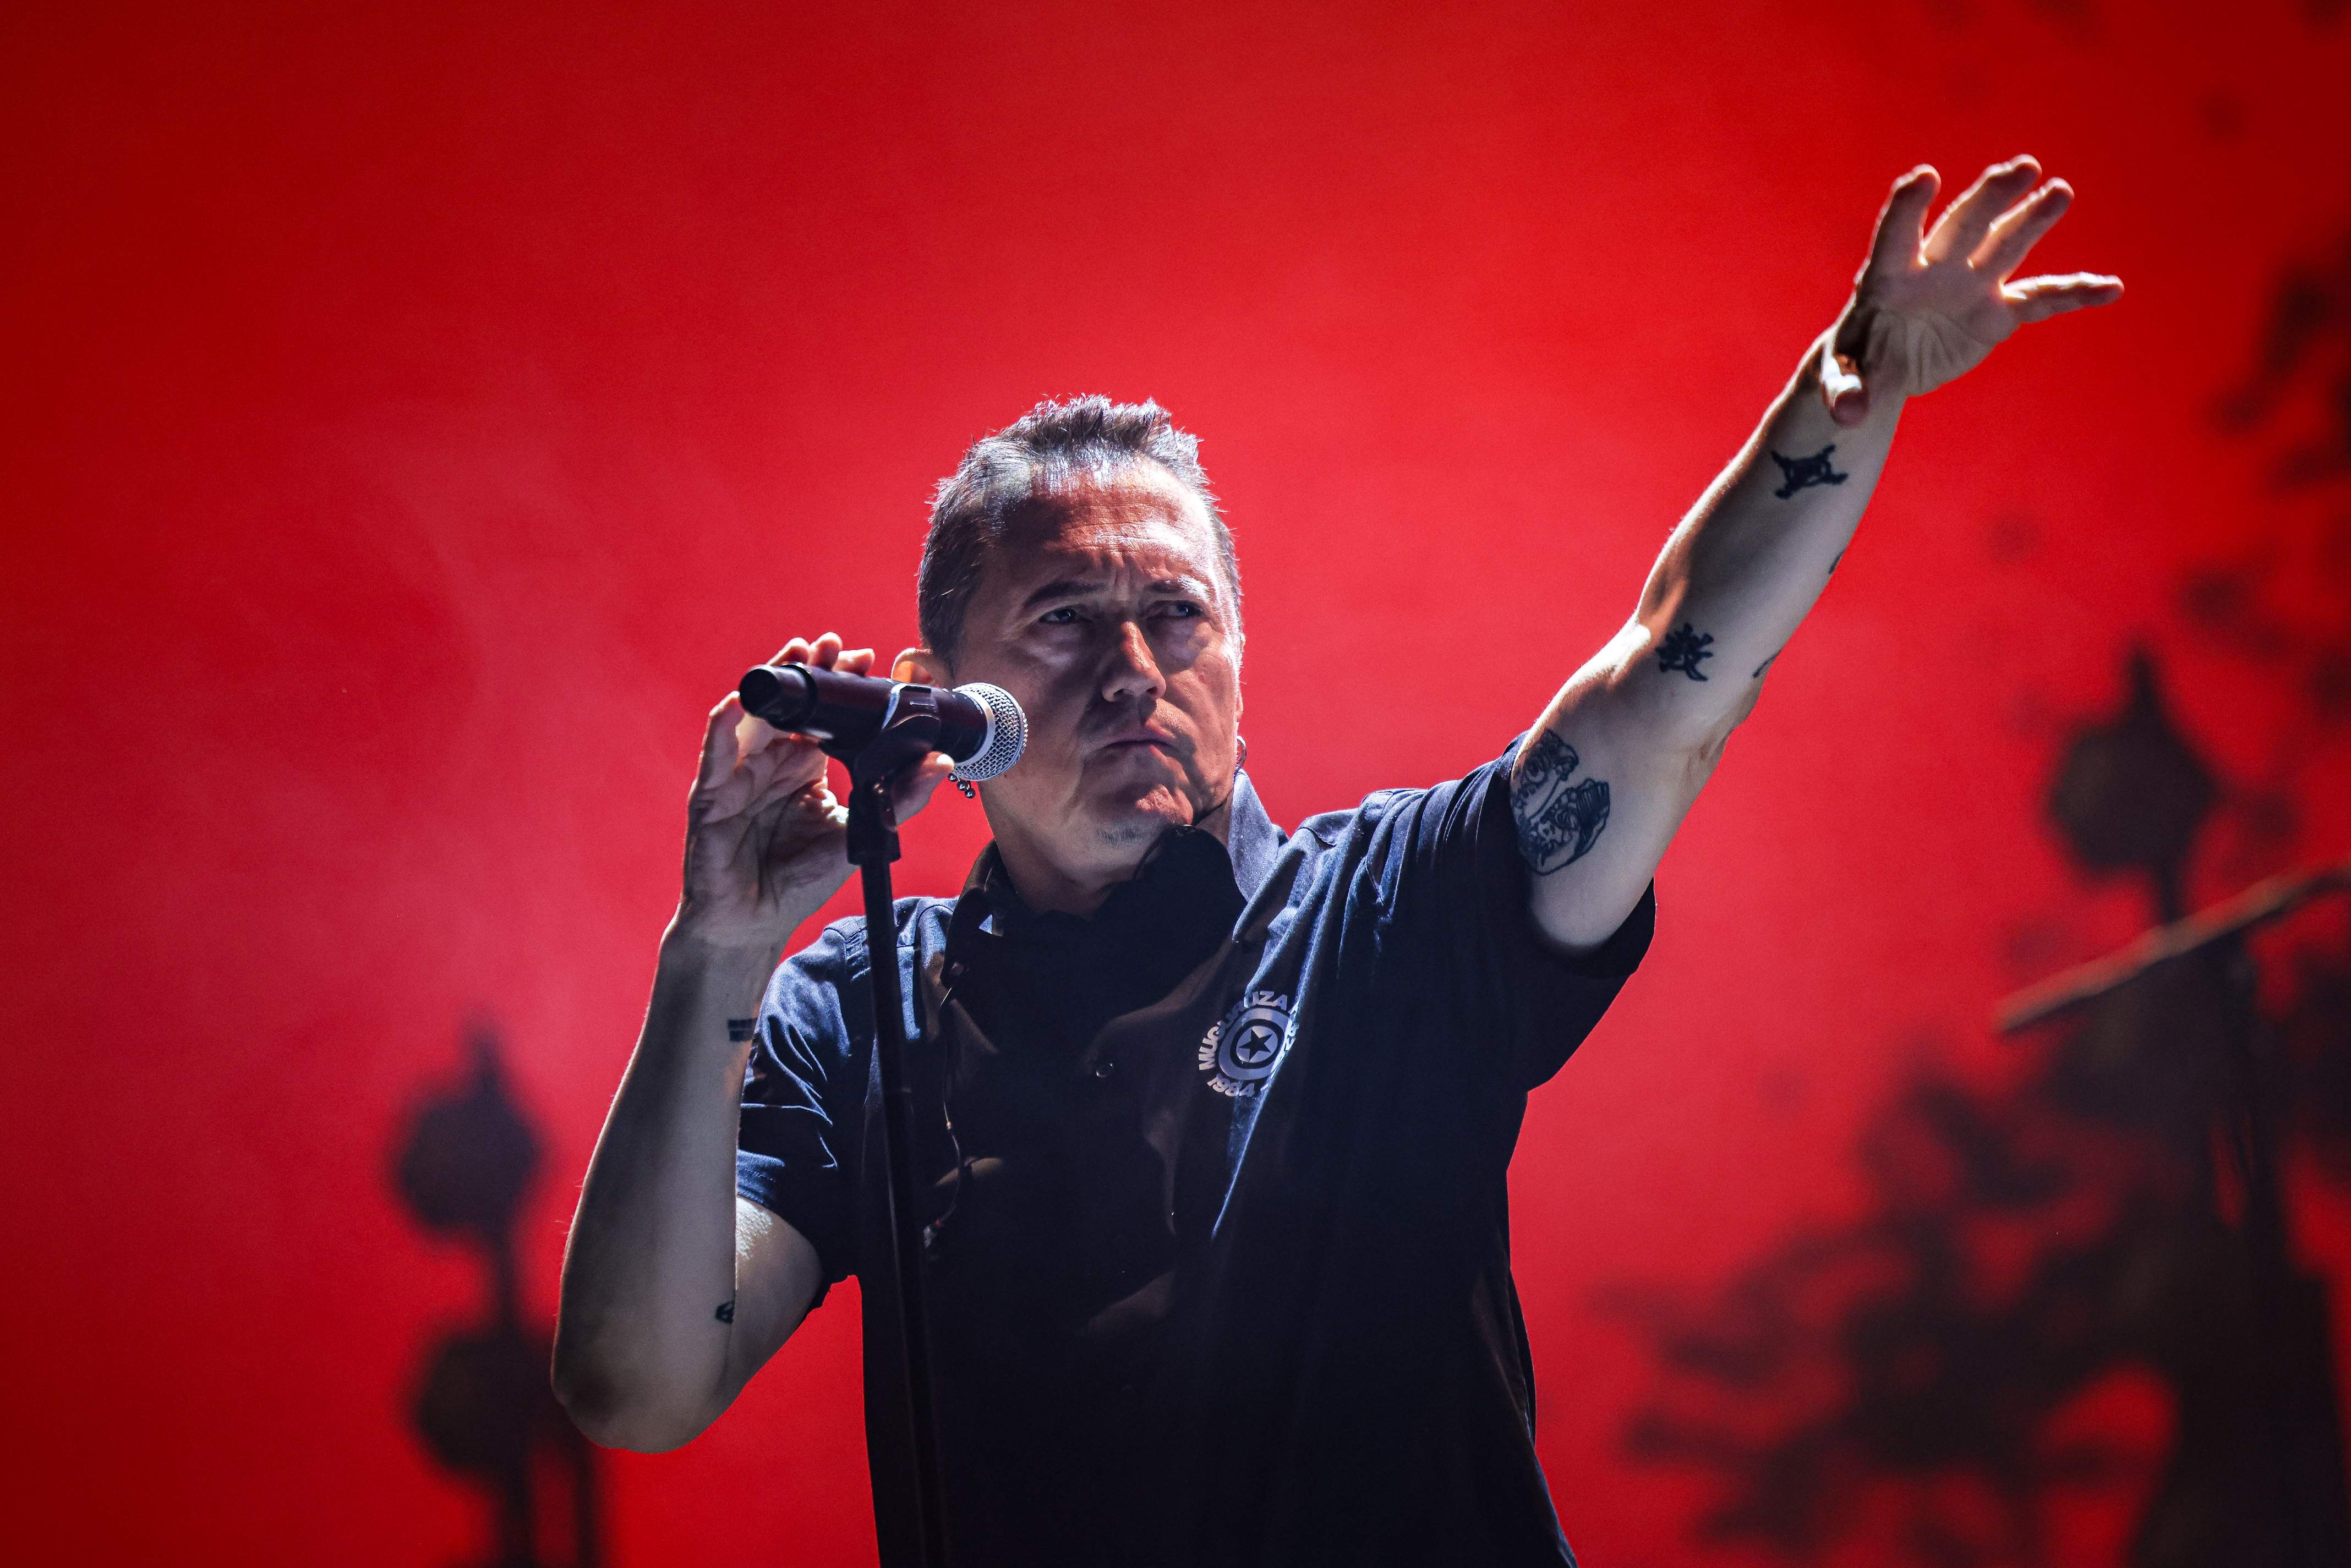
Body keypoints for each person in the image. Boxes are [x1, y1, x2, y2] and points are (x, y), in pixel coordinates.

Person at [551, 157, 2121, 1566]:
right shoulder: (858, 1010)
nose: (1132, 669)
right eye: (1062, 622)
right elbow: (636, 1384)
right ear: (943, 696)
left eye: (1177, 616)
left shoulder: (1384, 913)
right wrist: (717, 957)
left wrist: (1847, 391)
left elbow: (1664, 693)